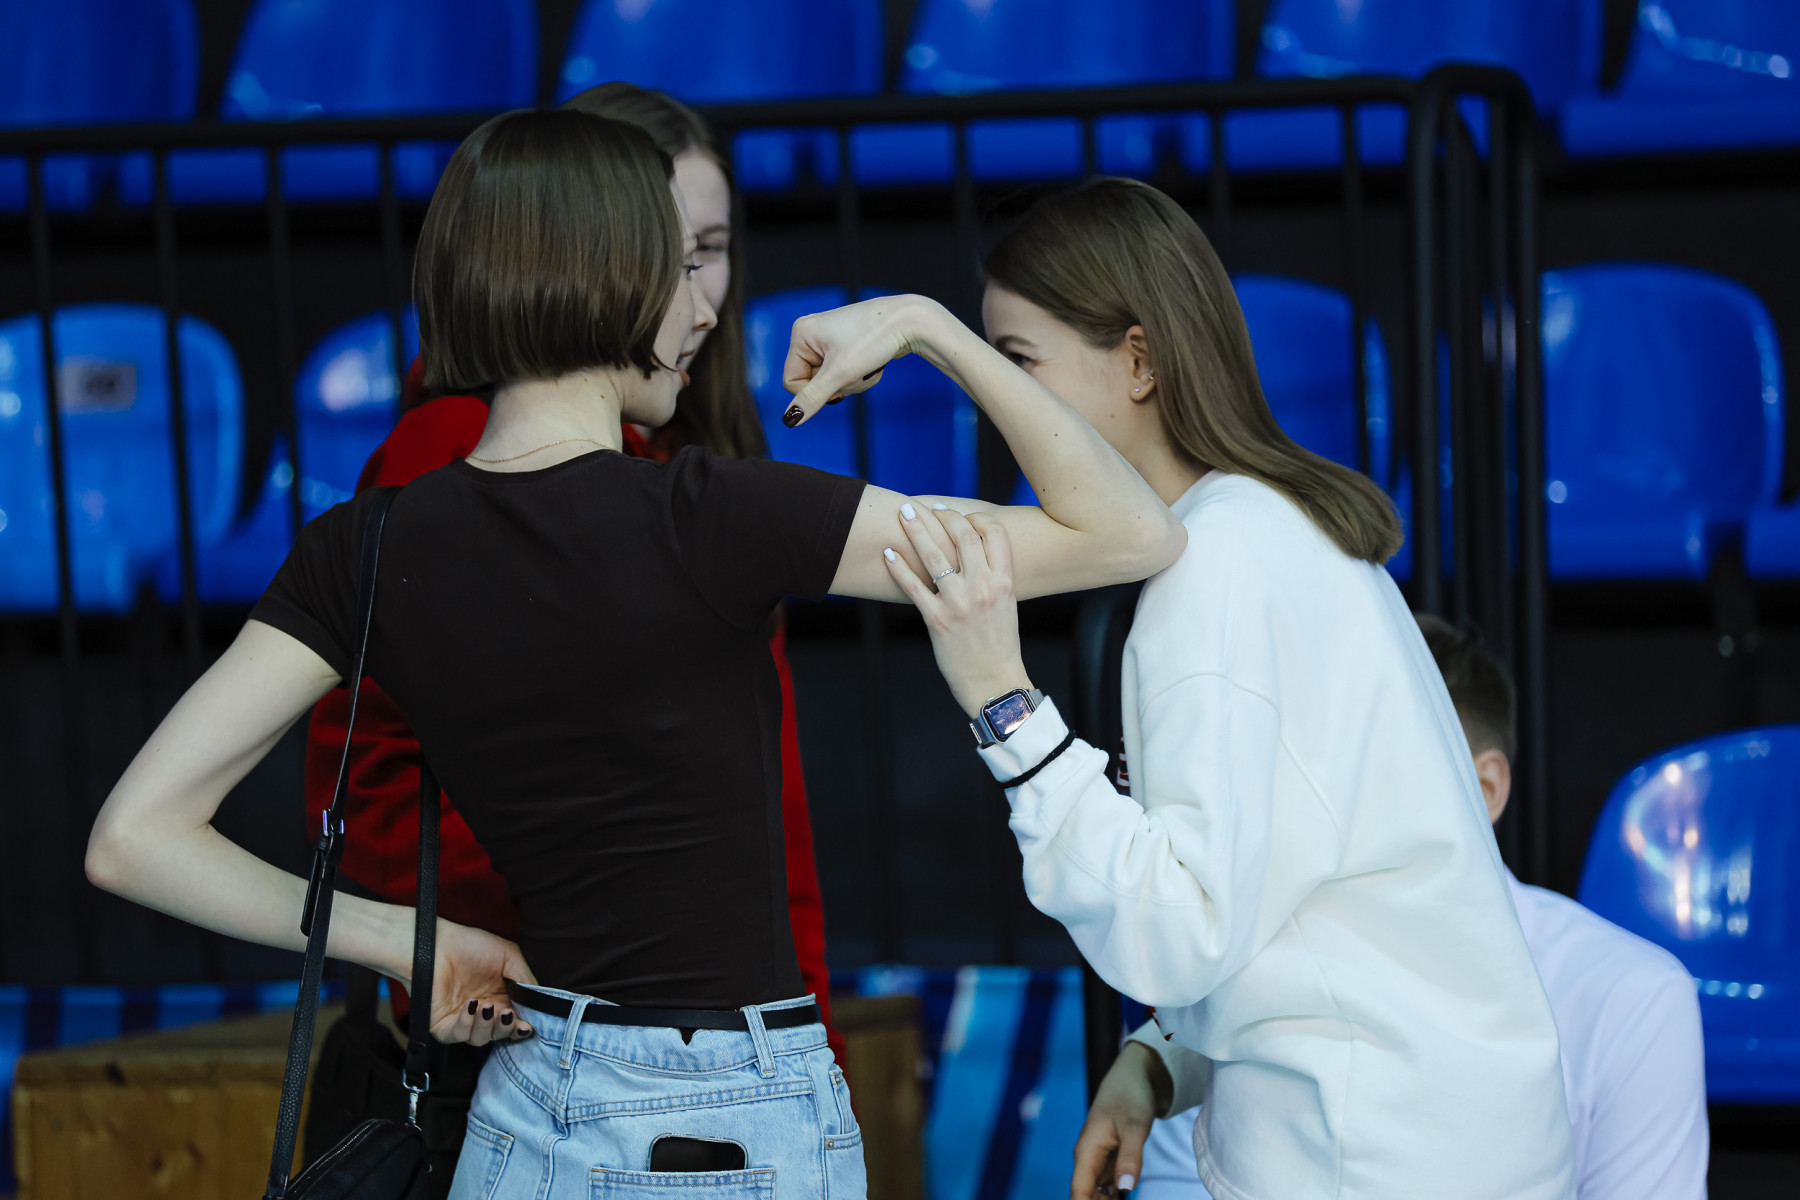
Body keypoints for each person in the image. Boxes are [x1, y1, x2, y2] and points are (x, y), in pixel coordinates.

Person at [84, 110, 1184, 1194]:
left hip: (522, 1117)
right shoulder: (716, 513)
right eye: (680, 269)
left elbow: (132, 840)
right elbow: (1129, 531)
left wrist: (407, 941)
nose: (704, 309)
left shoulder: (362, 546)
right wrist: (926, 325)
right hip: (722, 1125)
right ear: (612, 280)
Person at [876, 177, 1575, 1200]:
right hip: (1428, 1137)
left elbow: (1179, 931)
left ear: (1140, 361)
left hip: (1376, 1157)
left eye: (1017, 363)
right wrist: (1162, 1059)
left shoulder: (1220, 566)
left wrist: (1003, 703)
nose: (997, 405)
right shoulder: (1272, 527)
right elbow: (1293, 901)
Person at [300, 81, 848, 1067]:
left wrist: (812, 1040)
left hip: (726, 1034)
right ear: (577, 249)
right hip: (539, 1020)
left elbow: (771, 808)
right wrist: (501, 950)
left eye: (710, 250)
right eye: (668, 253)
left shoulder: (701, 467)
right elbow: (369, 768)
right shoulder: (449, 453)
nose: (699, 291)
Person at [1133, 616, 1710, 1200]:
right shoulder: (1237, 974)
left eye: (1373, 771)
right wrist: (1153, 1061)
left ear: (1484, 791)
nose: (1325, 808)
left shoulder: (1631, 999)